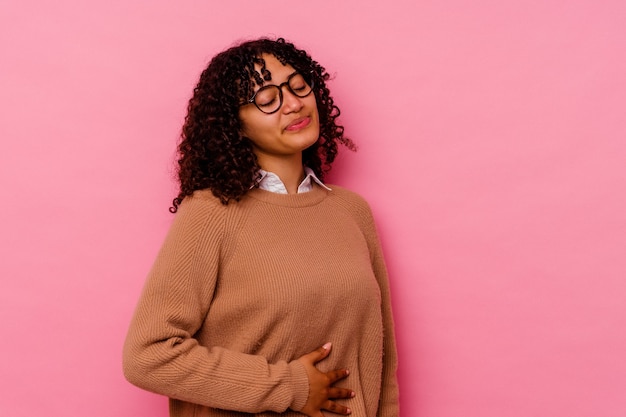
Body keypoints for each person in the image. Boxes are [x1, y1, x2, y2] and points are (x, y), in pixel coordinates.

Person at [122, 37, 399, 417]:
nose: (293, 103)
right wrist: (291, 386)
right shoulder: (210, 213)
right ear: (235, 124)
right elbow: (147, 354)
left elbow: (381, 361)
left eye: (298, 85)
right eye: (267, 99)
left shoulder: (352, 212)